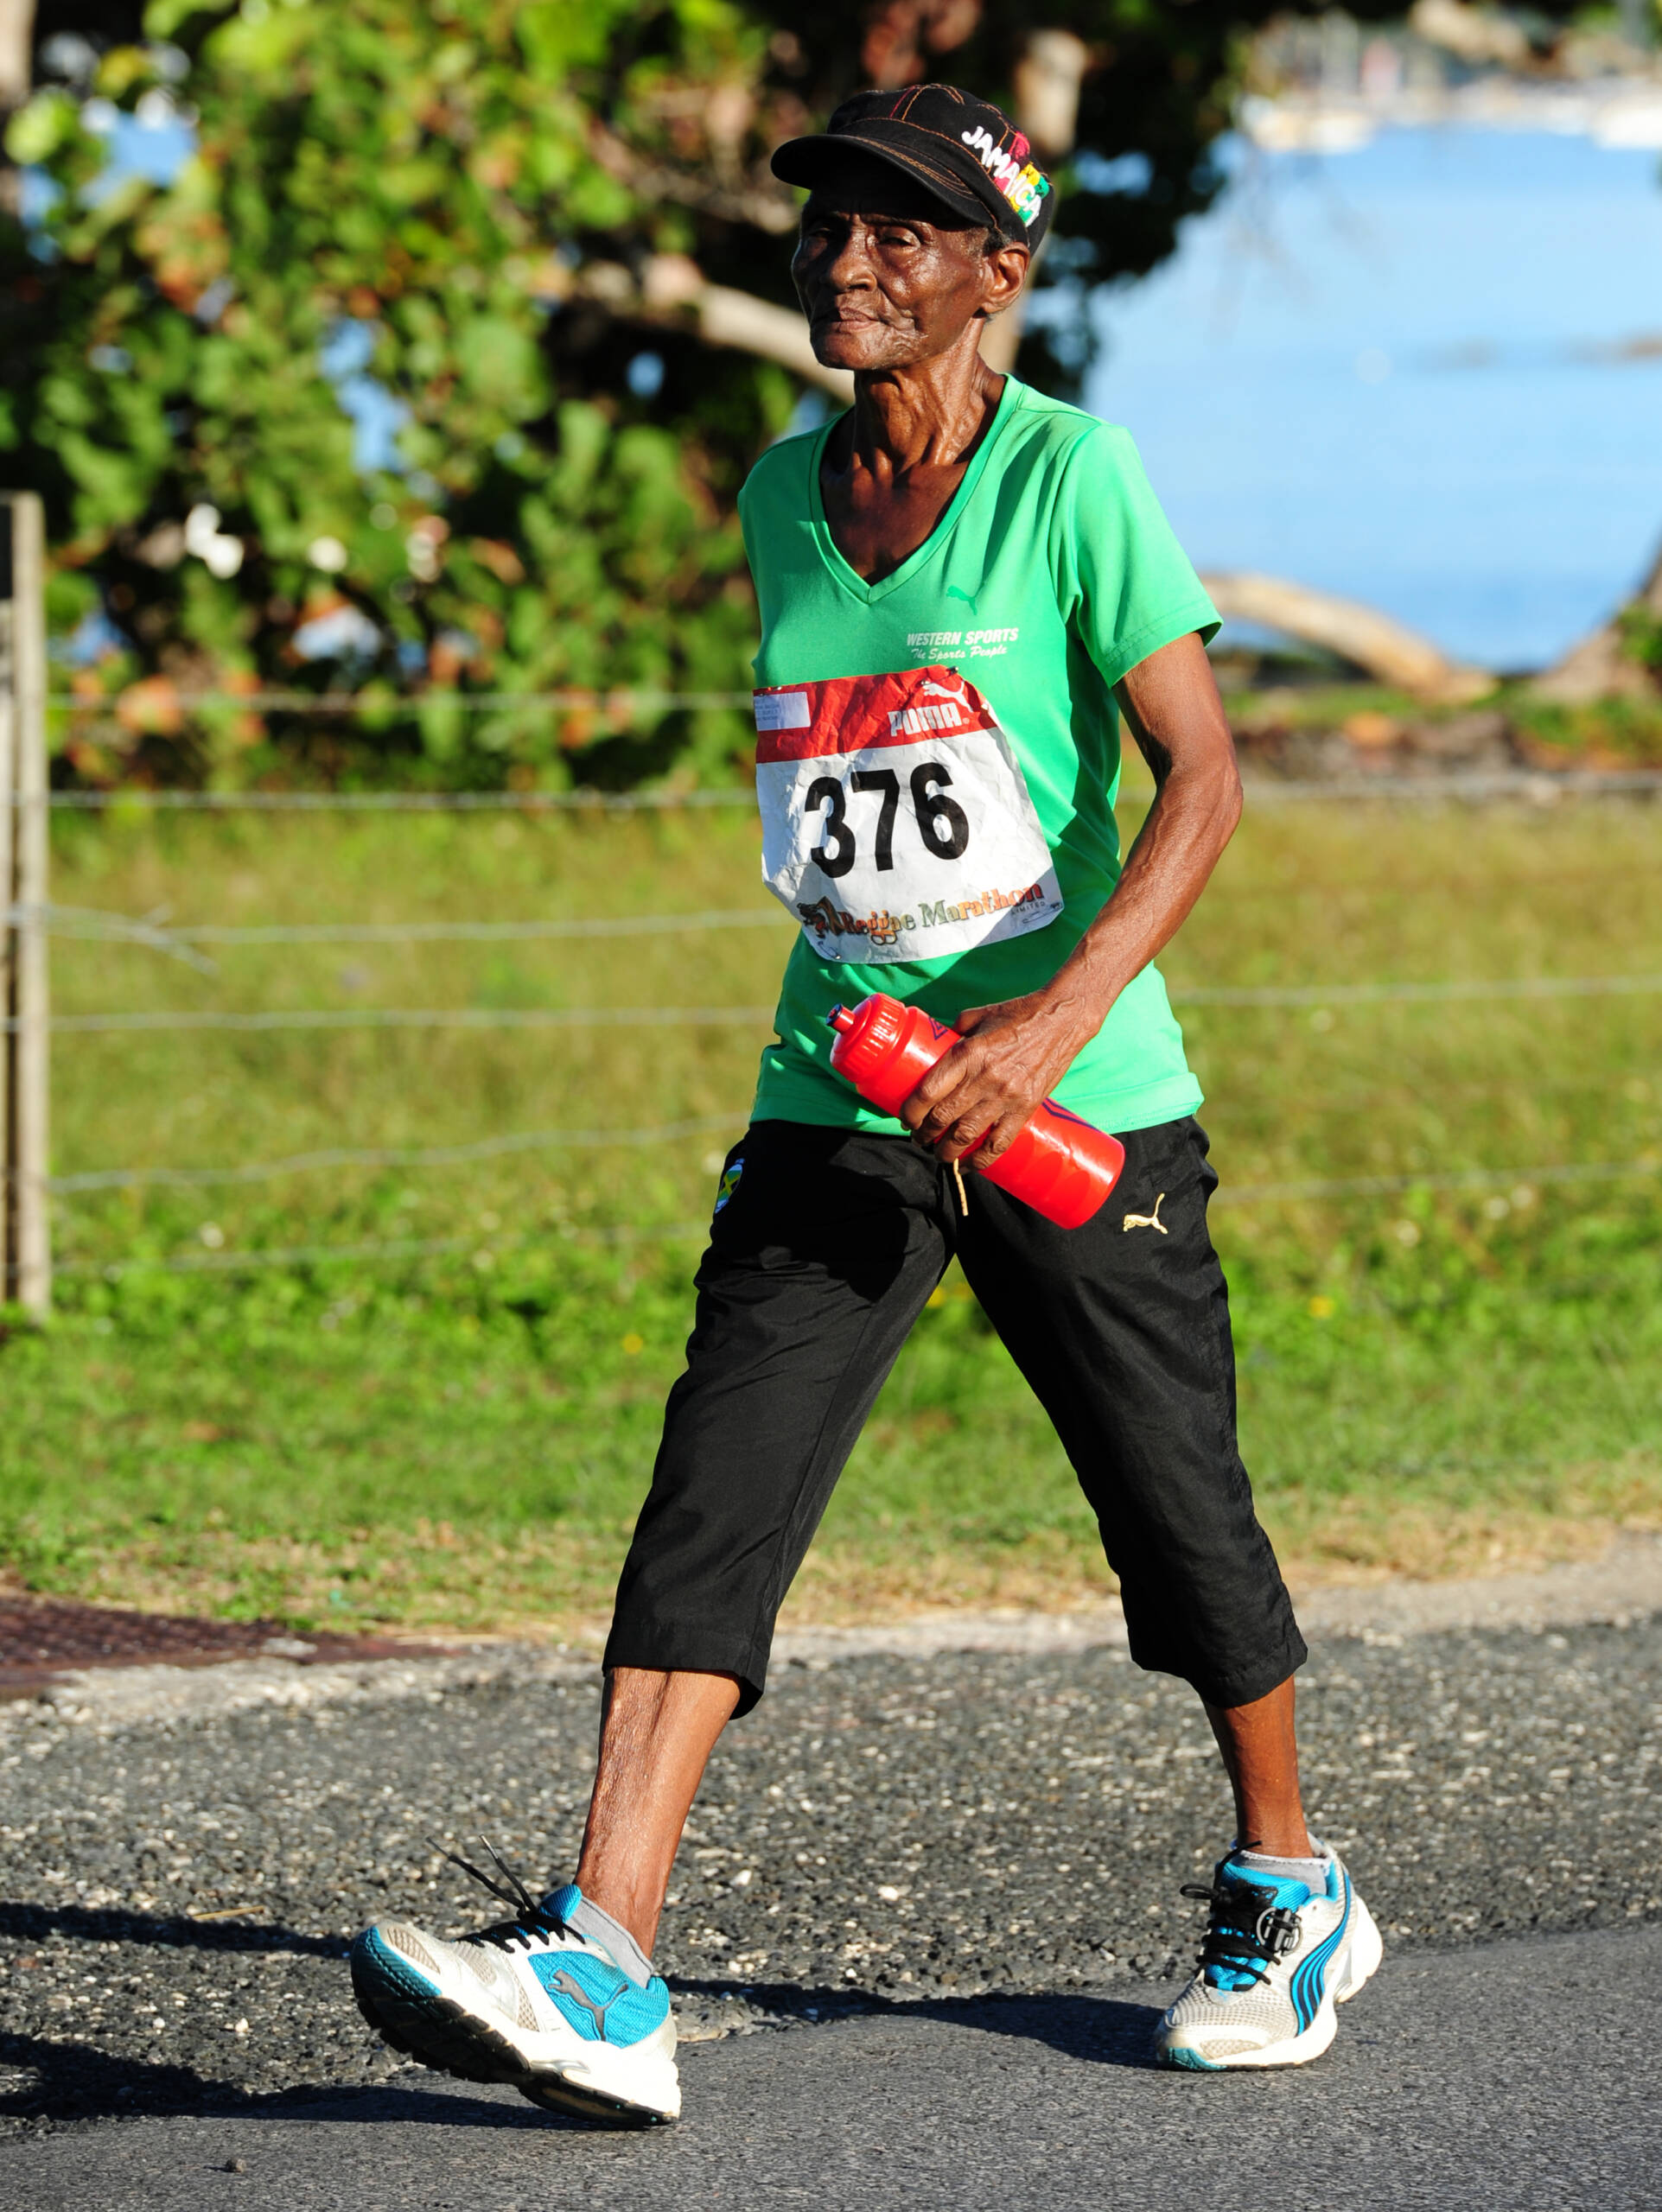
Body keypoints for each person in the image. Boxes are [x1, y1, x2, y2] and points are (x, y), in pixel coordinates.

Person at [349, 83, 1380, 2125]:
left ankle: (1286, 1880)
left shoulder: (1070, 478)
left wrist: (1044, 1027)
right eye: (830, 223)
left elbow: (1202, 778)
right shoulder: (776, 492)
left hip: (1075, 1104)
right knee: (712, 1490)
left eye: (903, 232)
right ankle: (605, 1958)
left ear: (998, 272)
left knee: (1175, 1517)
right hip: (837, 1082)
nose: (848, 260)